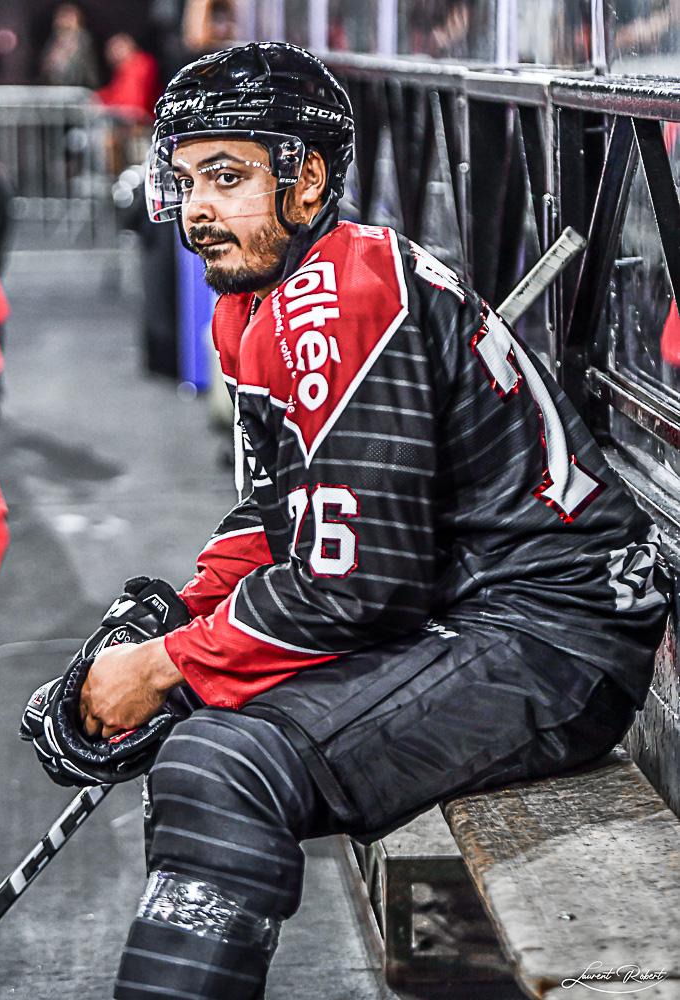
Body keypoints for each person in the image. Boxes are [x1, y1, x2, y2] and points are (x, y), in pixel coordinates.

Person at [60, 43, 672, 998]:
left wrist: (169, 667)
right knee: (207, 739)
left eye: (228, 177)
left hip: (553, 638)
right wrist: (185, 619)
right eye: (184, 182)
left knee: (223, 766)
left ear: (306, 178)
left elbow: (356, 587)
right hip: (475, 614)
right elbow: (280, 511)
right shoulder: (263, 301)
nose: (198, 210)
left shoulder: (339, 297)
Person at [39, 3, 99, 89]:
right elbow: (46, 68)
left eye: (69, 17)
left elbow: (85, 70)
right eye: (62, 17)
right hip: (54, 89)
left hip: (78, 88)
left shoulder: (83, 39)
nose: (65, 22)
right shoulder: (53, 39)